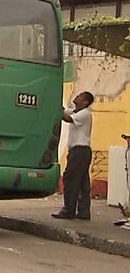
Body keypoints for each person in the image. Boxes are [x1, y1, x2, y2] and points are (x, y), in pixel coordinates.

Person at [53, 91, 94, 221]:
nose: (77, 96)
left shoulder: (85, 114)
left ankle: (68, 210)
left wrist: (53, 106)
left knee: (70, 179)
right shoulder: (77, 111)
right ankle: (83, 211)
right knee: (82, 182)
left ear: (86, 102)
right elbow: (67, 112)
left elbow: (66, 118)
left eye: (80, 96)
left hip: (80, 151)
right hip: (80, 151)